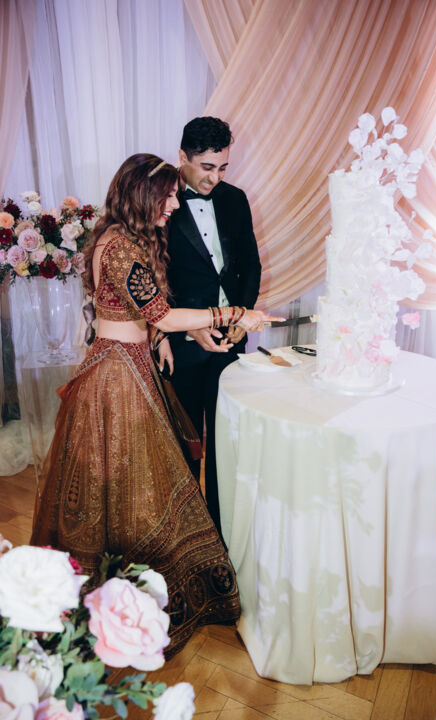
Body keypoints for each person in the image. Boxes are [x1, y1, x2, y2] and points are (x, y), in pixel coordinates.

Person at [30, 154, 280, 656]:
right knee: (130, 482)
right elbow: (161, 314)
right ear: (142, 195)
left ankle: (123, 590)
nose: (173, 204)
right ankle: (123, 598)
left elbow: (132, 312)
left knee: (126, 482)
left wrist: (158, 339)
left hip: (126, 360)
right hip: (117, 377)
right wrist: (233, 312)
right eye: (166, 196)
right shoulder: (122, 248)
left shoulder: (116, 238)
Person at [162, 117, 262, 534]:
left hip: (230, 339)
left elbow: (250, 265)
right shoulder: (161, 202)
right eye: (206, 167)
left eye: (222, 167)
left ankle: (224, 532)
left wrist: (242, 314)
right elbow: (154, 277)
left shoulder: (235, 199)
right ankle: (189, 533)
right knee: (184, 444)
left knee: (227, 441)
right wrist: (185, 329)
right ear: (182, 157)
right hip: (181, 344)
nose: (215, 177)